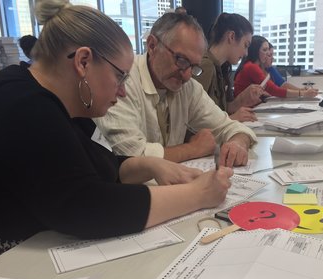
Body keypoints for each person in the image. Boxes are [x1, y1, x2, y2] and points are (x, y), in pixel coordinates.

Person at [0, 0, 233, 256]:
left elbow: (94, 166)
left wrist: (149, 165)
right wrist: (197, 194)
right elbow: (87, 206)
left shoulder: (58, 102)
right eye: (120, 76)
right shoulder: (24, 104)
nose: (121, 91)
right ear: (83, 62)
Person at [94, 13, 257, 166]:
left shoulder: (188, 88)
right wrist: (193, 149)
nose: (187, 76)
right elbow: (130, 157)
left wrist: (238, 142)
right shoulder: (122, 82)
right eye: (181, 60)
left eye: (194, 67)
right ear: (152, 45)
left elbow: (229, 127)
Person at [193, 12, 264, 123]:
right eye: (245, 45)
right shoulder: (206, 66)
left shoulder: (220, 67)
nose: (246, 53)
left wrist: (240, 101)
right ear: (231, 37)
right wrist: (231, 119)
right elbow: (192, 120)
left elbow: (217, 110)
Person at [234, 35, 318, 99]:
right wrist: (302, 93)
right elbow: (274, 90)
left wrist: (301, 91)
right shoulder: (251, 67)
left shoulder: (253, 66)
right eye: (264, 50)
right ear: (255, 51)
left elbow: (275, 88)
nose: (267, 54)